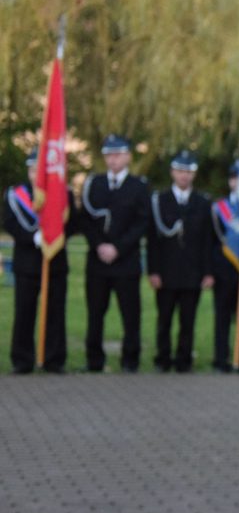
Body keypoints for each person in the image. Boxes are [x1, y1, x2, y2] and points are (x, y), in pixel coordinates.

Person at [3, 148, 76, 374]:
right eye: (33, 170)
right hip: (26, 264)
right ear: (28, 171)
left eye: (41, 170)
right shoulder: (16, 194)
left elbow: (73, 224)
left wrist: (54, 235)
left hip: (55, 262)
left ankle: (54, 359)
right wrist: (32, 238)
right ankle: (22, 360)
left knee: (56, 312)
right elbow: (9, 223)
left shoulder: (63, 193)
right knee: (24, 313)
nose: (37, 175)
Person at [80, 134, 150, 373]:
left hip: (126, 262)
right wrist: (99, 245)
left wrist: (118, 248)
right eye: (109, 155)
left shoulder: (139, 186)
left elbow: (142, 223)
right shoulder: (94, 184)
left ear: (128, 156)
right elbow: (86, 220)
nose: (113, 159)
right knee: (95, 314)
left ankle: (130, 360)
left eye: (118, 154)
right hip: (97, 262)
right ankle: (94, 360)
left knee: (130, 314)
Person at [147, 150, 213, 373]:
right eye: (180, 171)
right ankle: (163, 358)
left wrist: (207, 272)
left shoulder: (202, 202)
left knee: (188, 320)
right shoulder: (159, 200)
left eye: (188, 171)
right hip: (166, 272)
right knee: (164, 319)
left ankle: (184, 360)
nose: (184, 175)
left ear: (194, 174)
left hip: (192, 273)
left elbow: (207, 241)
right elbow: (153, 240)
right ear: (172, 172)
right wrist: (153, 271)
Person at [210, 163, 239, 373]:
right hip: (223, 272)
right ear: (230, 181)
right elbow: (210, 242)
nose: (238, 183)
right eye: (235, 178)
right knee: (222, 317)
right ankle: (221, 359)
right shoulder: (219, 208)